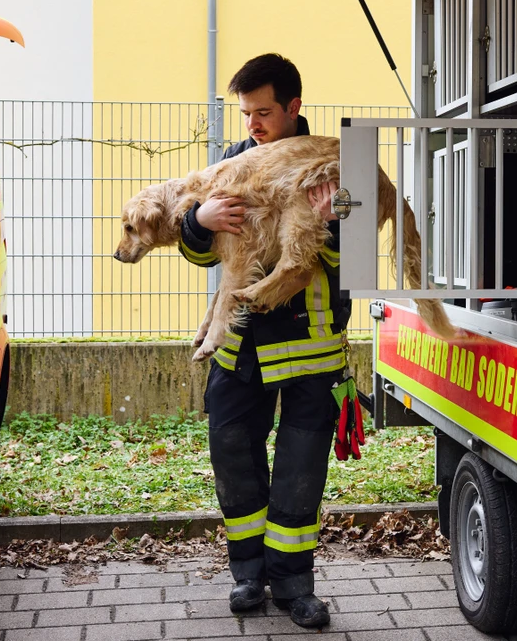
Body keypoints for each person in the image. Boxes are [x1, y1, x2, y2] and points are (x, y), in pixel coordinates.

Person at [178, 53, 349, 629]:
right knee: (232, 456)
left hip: (309, 347)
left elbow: (354, 260)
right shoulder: (233, 161)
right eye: (246, 113)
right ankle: (248, 575)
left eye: (264, 112)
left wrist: (328, 222)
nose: (252, 125)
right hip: (240, 347)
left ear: (295, 107)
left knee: (300, 471)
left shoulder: (334, 162)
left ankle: (295, 584)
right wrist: (200, 221)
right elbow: (202, 252)